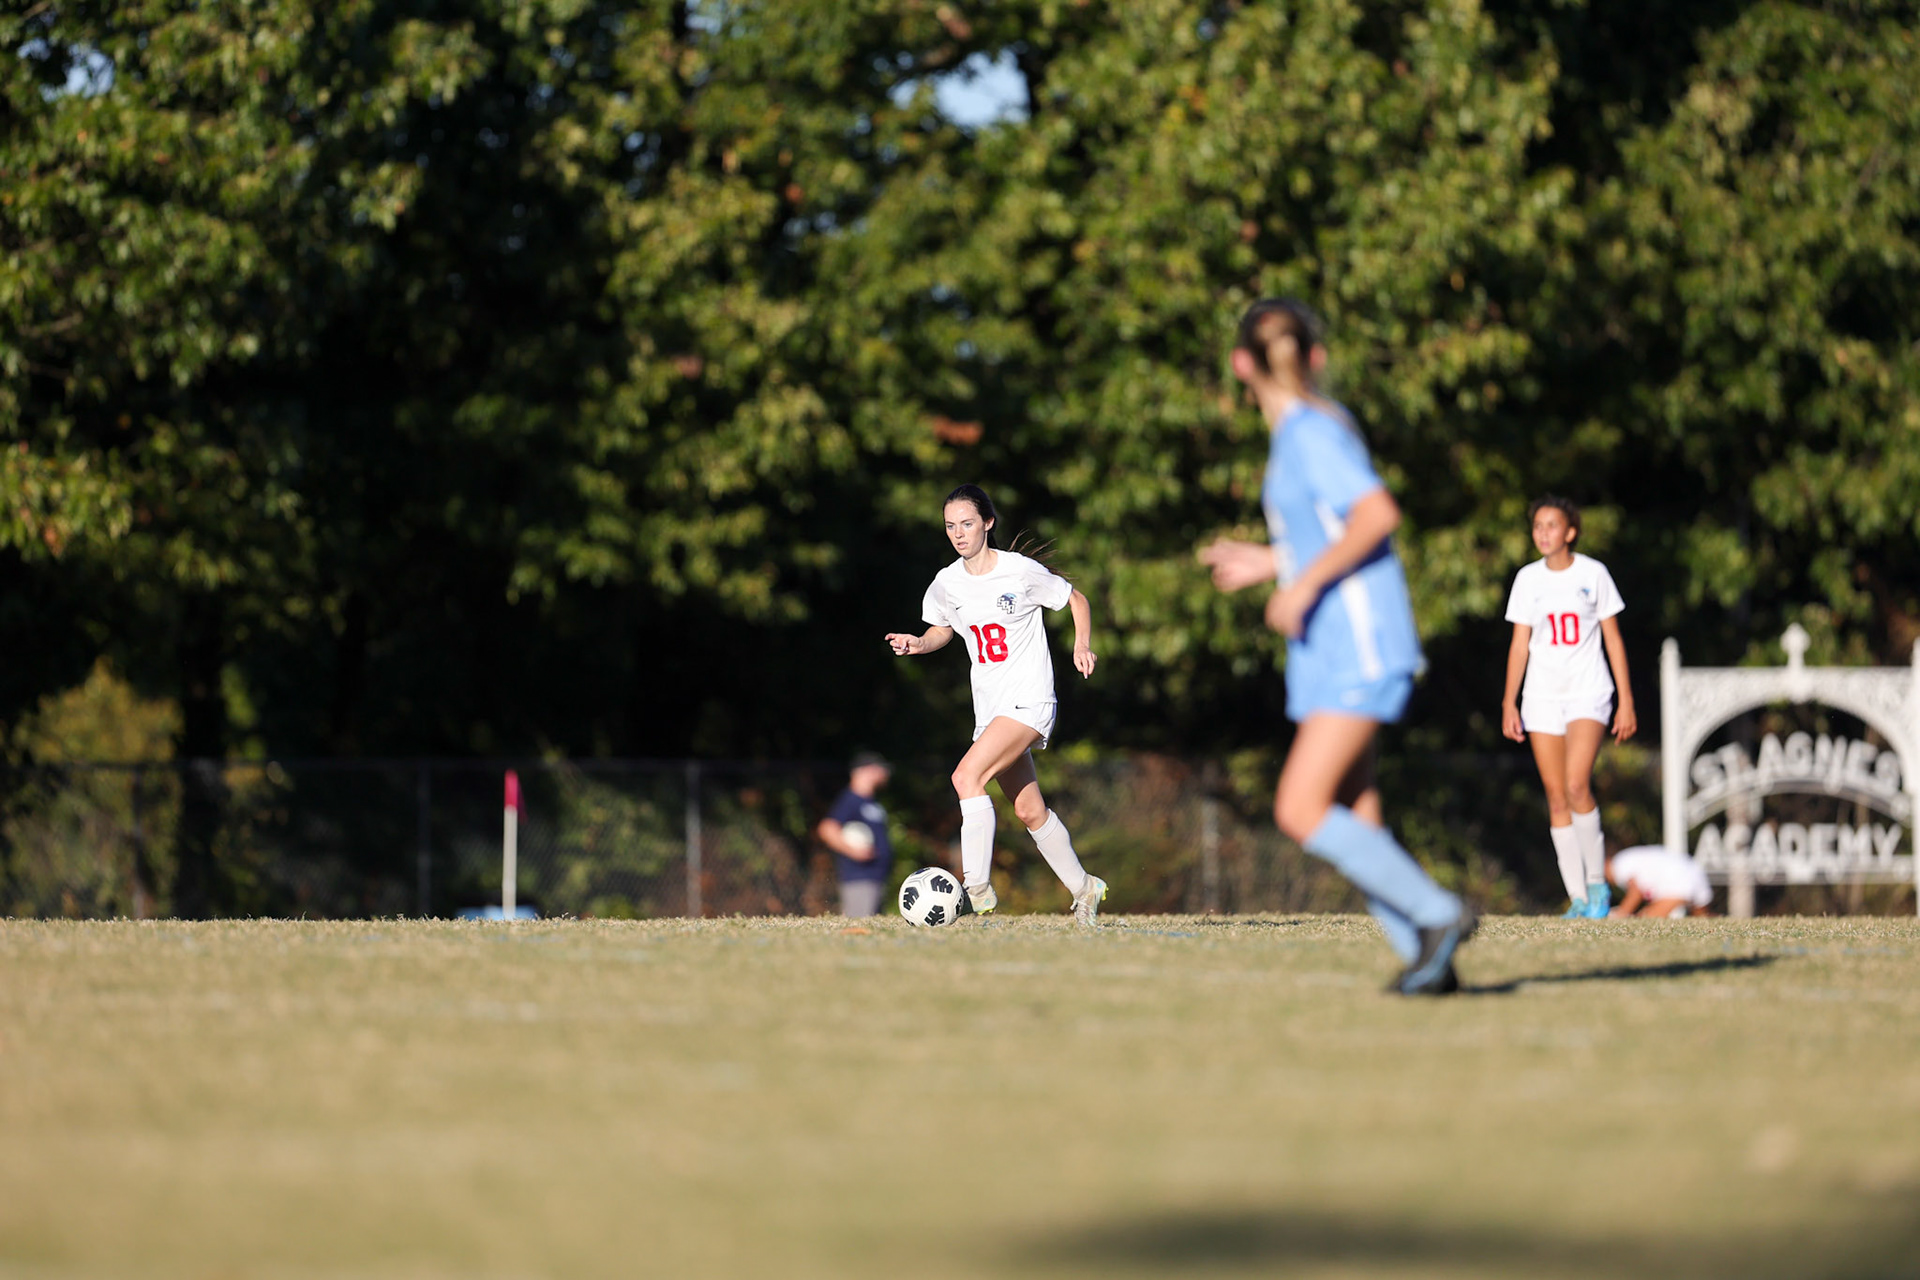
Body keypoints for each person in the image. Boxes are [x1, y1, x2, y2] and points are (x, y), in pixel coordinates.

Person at [1199, 298, 1474, 995]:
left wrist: (1299, 587)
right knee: (1355, 811)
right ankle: (1426, 959)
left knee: (1298, 807)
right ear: (1316, 356)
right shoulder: (1309, 429)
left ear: (1240, 365)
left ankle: (1437, 914)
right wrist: (1273, 563)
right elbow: (1329, 532)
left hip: (1359, 644)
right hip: (1333, 648)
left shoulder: (1308, 433)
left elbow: (1376, 515)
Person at [884, 484, 1108, 926]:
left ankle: (977, 889)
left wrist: (1081, 644)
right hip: (991, 710)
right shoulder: (947, 582)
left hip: (1029, 699)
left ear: (987, 522)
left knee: (965, 777)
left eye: (967, 524)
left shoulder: (1018, 571)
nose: (958, 534)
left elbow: (1074, 599)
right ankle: (1086, 888)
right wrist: (919, 643)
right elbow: (941, 630)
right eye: (950, 526)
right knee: (1028, 810)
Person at [1500, 496, 1637, 918]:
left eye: (1552, 525)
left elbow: (1613, 638)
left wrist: (1626, 699)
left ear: (1570, 532)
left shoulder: (1593, 574)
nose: (1543, 533)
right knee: (1557, 796)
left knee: (1577, 784)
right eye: (1537, 526)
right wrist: (1508, 701)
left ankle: (1597, 886)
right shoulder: (1527, 579)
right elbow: (1520, 645)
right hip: (1542, 695)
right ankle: (1577, 898)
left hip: (1587, 691)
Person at [816, 751, 895, 918]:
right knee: (860, 924)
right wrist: (852, 850)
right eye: (880, 768)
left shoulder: (871, 801)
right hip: (859, 878)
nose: (885, 773)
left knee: (874, 926)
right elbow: (827, 828)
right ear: (866, 770)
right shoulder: (850, 800)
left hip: (877, 877)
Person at [1607, 845, 1713, 918]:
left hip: (1677, 881)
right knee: (1703, 918)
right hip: (1695, 873)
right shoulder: (1627, 857)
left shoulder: (1618, 864)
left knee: (1646, 920)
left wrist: (1621, 913)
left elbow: (1635, 892)